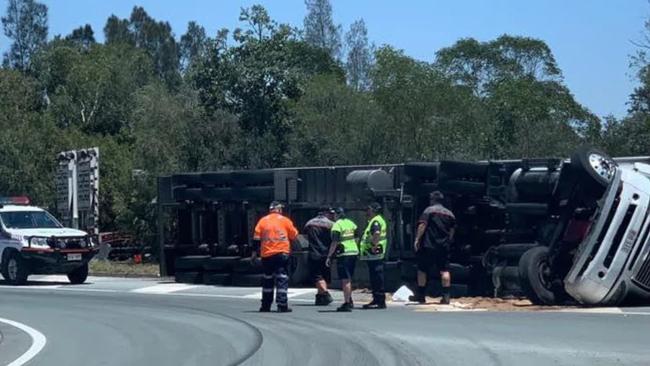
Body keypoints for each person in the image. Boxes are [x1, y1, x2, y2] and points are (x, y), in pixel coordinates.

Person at [252, 201, 299, 313]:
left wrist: (254, 254)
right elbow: (294, 235)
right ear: (279, 210)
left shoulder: (262, 221)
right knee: (281, 278)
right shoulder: (285, 221)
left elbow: (256, 239)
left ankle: (265, 305)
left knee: (267, 279)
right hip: (281, 253)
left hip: (267, 254)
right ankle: (282, 305)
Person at [410, 191, 456, 305]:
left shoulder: (428, 210)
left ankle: (421, 295)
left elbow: (423, 225)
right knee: (445, 270)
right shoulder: (450, 214)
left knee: (422, 269)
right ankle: (446, 297)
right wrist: (448, 241)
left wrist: (417, 239)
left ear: (432, 200)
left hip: (428, 245)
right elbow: (452, 230)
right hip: (443, 246)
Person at [326, 207, 358, 312]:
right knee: (349, 278)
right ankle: (350, 299)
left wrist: (329, 256)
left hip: (344, 254)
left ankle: (347, 303)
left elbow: (334, 242)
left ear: (336, 215)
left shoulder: (337, 225)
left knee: (345, 279)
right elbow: (356, 237)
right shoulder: (351, 223)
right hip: (353, 252)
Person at [359, 202, 389, 309]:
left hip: (374, 253)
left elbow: (376, 233)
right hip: (374, 253)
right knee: (375, 277)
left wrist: (372, 244)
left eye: (368, 209)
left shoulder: (376, 221)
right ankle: (377, 299)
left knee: (377, 277)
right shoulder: (377, 220)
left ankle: (379, 300)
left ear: (374, 211)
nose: (366, 211)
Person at [304, 206, 336, 305]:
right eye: (331, 214)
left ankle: (324, 294)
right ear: (326, 213)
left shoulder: (309, 223)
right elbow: (334, 238)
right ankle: (321, 296)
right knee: (323, 276)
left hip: (314, 252)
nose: (332, 215)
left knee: (316, 276)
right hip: (326, 253)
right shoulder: (331, 224)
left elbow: (305, 237)